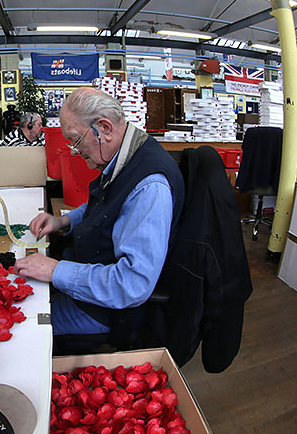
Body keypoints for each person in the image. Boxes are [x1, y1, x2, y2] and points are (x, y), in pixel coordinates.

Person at [11, 87, 184, 352]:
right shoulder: (124, 155)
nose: (74, 150)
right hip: (90, 273)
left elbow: (132, 284)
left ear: (104, 128)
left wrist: (55, 270)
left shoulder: (150, 187)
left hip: (107, 309)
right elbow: (107, 204)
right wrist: (64, 222)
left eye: (76, 140)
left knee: (20, 327)